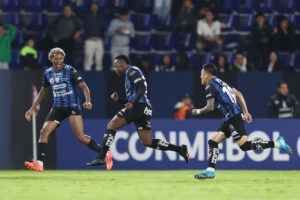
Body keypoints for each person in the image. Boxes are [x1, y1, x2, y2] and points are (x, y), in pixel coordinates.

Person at [86, 55, 190, 168]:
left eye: (116, 67)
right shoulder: (129, 75)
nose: (115, 69)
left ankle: (101, 157)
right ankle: (180, 149)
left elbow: (142, 88)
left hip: (139, 106)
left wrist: (134, 103)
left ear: (121, 65)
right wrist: (119, 100)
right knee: (147, 141)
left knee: (112, 125)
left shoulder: (132, 71)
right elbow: (133, 97)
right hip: (144, 108)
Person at [192, 64, 292, 179]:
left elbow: (210, 107)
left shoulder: (210, 86)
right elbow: (239, 94)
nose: (200, 77)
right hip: (231, 117)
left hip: (233, 118)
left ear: (206, 75)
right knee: (213, 141)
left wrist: (198, 112)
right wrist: (246, 112)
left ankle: (278, 143)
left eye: (201, 74)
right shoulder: (222, 83)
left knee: (244, 145)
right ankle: (210, 170)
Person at [24, 48, 102, 172]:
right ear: (51, 59)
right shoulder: (48, 73)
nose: (59, 61)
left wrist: (88, 100)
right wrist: (32, 108)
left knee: (80, 136)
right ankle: (39, 163)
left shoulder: (70, 70)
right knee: (44, 132)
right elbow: (43, 91)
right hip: (57, 108)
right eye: (56, 58)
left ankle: (104, 153)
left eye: (61, 58)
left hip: (72, 106)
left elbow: (84, 86)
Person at [82, 2, 105, 71]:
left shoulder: (100, 15)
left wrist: (116, 4)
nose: (94, 8)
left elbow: (112, 13)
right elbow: (77, 12)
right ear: (90, 8)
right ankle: (86, 75)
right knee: (88, 60)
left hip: (99, 40)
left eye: (96, 7)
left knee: (99, 59)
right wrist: (77, 3)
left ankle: (99, 75)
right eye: (93, 7)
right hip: (89, 40)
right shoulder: (87, 15)